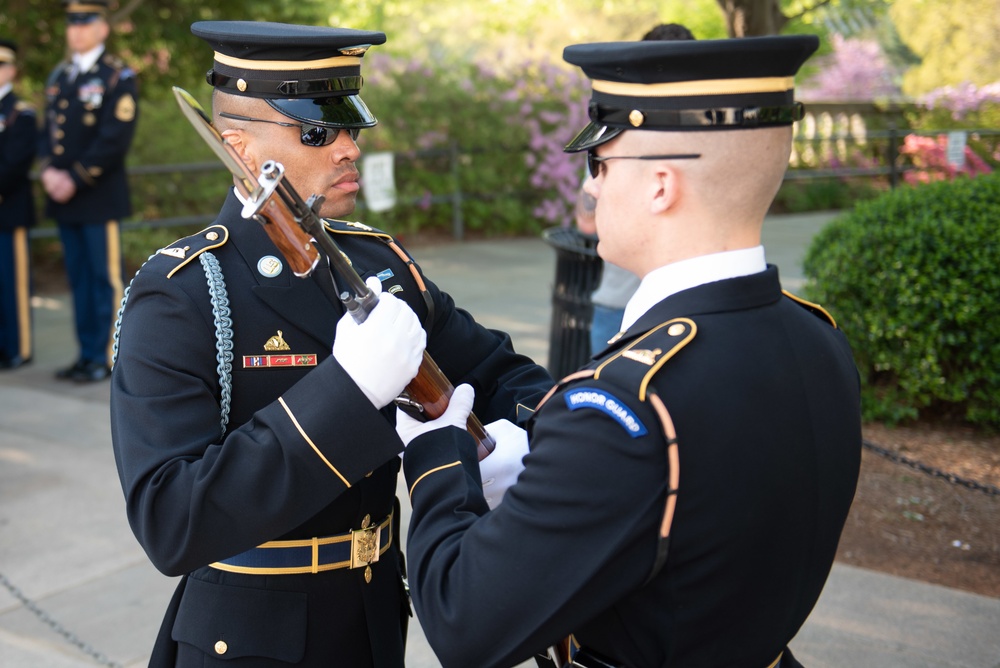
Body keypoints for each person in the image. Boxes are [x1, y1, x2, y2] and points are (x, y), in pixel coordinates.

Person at [397, 35, 862, 668]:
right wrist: (550, 482)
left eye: (603, 165)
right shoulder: (818, 337)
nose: (591, 191)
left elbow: (464, 624)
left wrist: (435, 452)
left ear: (661, 186)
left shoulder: (624, 404)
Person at [109, 20, 552, 667]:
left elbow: (500, 375)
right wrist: (347, 393)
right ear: (236, 145)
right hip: (252, 639)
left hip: (373, 624)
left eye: (351, 126)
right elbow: (170, 520)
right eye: (318, 131)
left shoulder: (380, 264)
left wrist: (525, 438)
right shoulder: (183, 292)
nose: (348, 147)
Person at [580, 23, 695, 356]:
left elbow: (586, 224)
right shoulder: (705, 135)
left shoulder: (618, 131)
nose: (592, 183)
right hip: (660, 304)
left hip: (623, 304)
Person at [38, 0, 137, 382]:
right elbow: (48, 133)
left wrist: (72, 178)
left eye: (85, 21)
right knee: (77, 279)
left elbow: (115, 138)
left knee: (104, 279)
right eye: (71, 22)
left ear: (103, 28)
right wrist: (48, 172)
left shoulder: (117, 77)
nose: (76, 29)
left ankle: (110, 358)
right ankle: (86, 354)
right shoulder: (60, 76)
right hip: (64, 198)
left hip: (97, 196)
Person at [0, 38, 38, 371]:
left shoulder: (20, 112)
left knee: (12, 284)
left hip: (8, 210)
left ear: (11, 69)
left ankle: (18, 347)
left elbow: (16, 162)